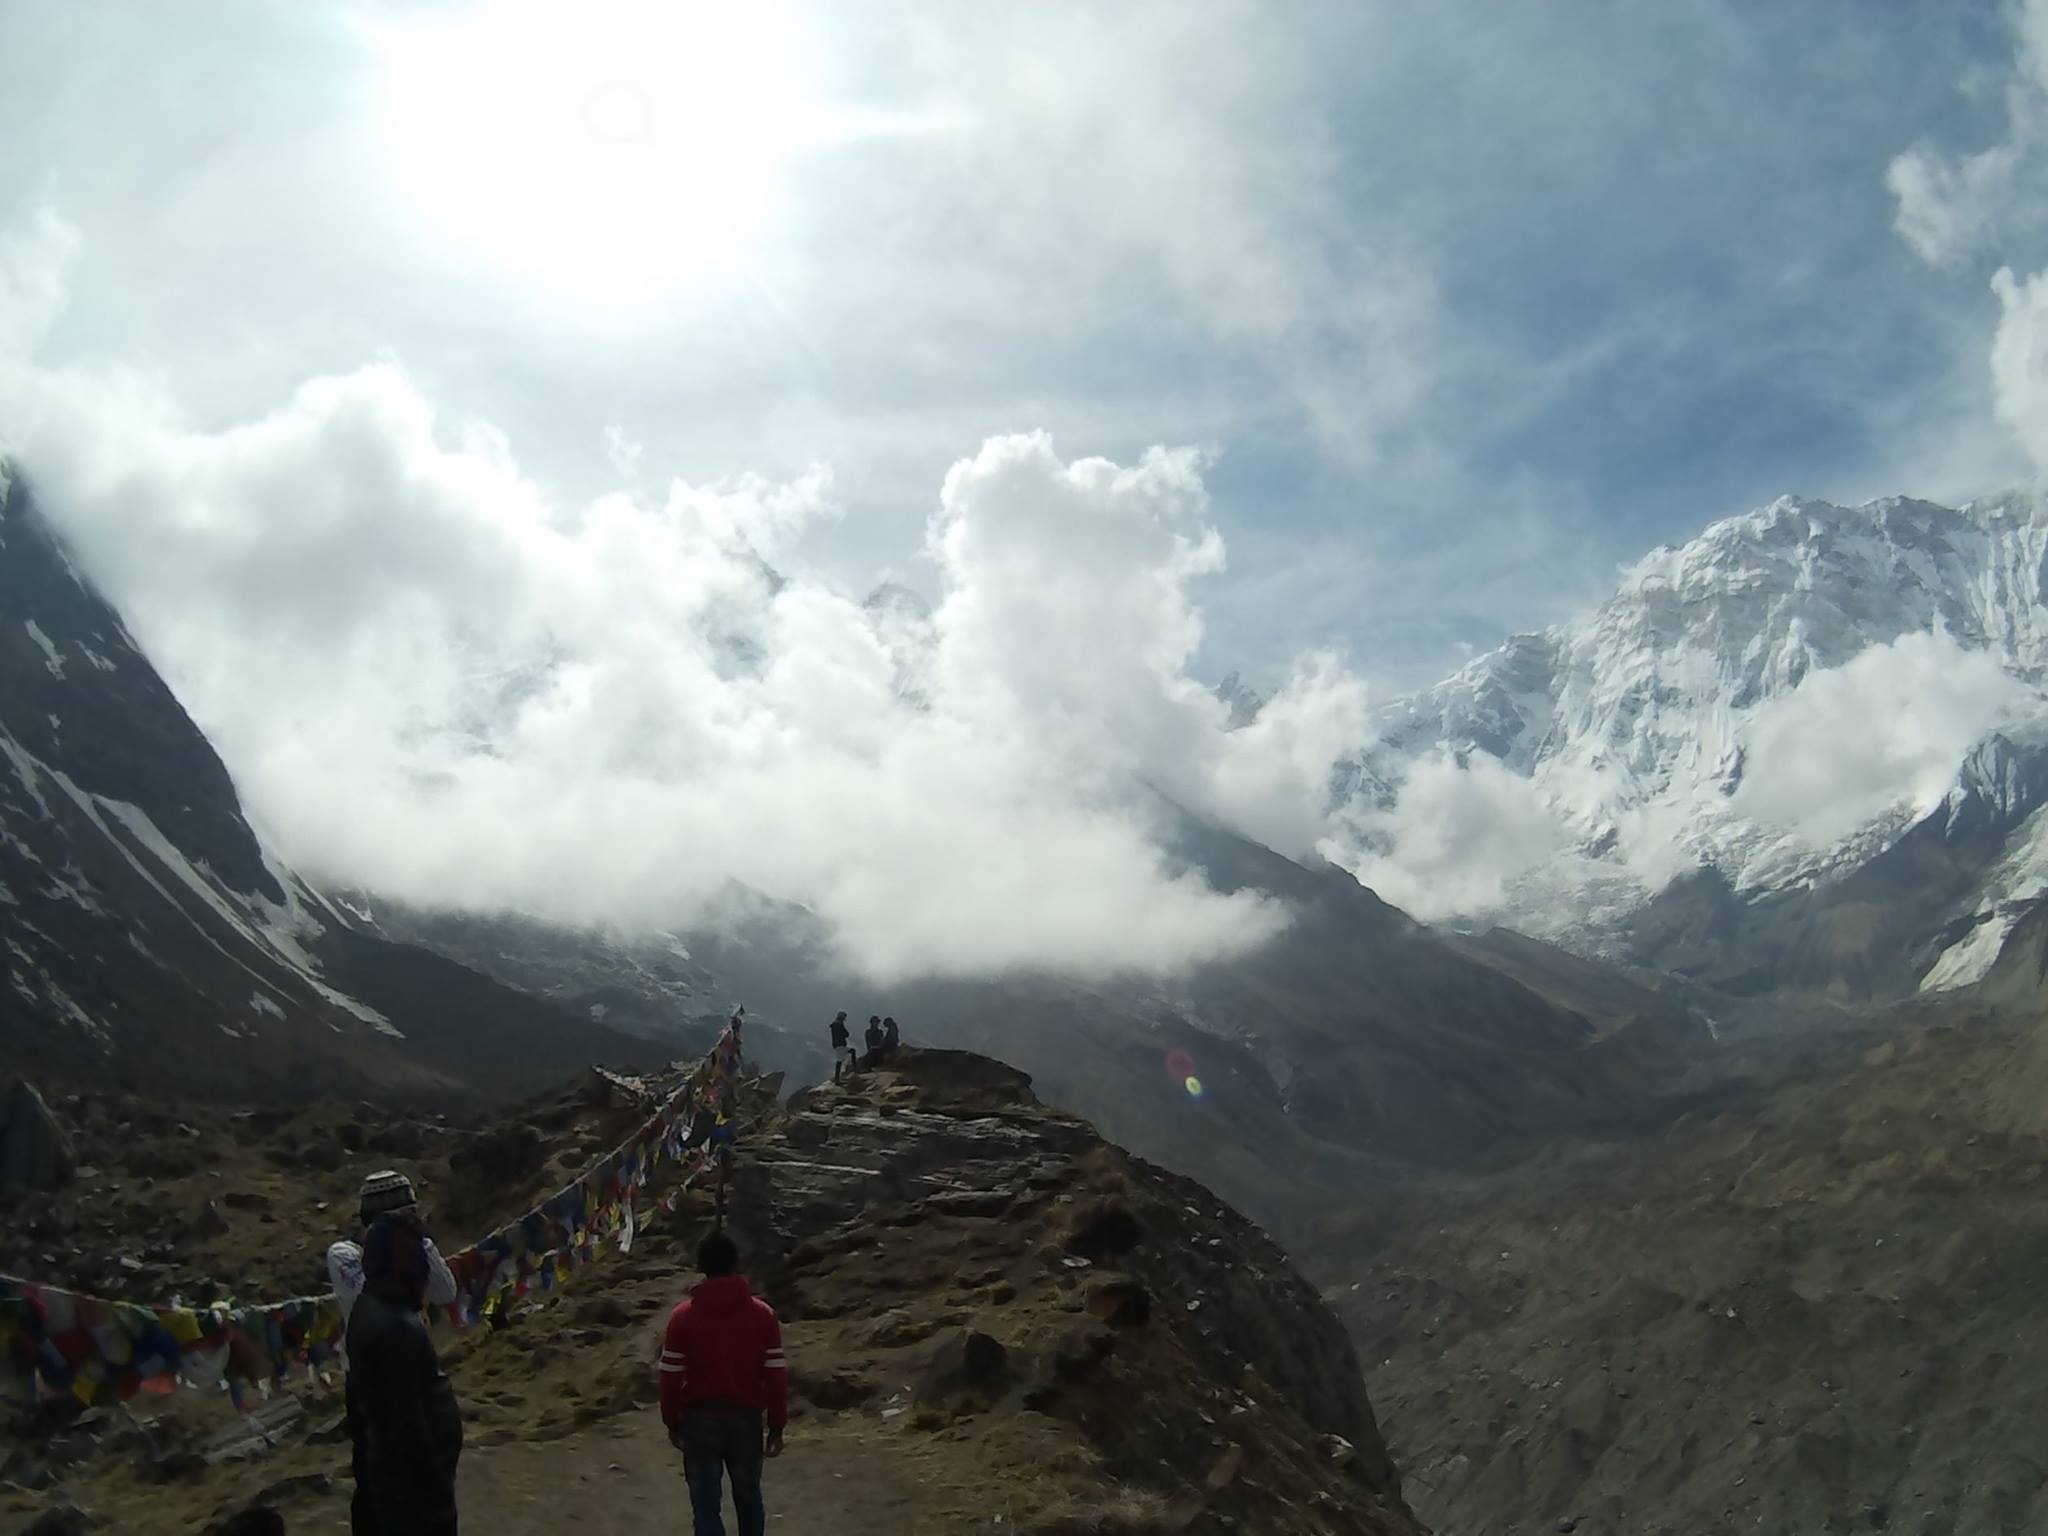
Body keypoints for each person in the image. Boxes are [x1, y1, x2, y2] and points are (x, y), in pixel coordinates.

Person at [660, 1232, 788, 1536]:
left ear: (701, 1266)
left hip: (699, 1422)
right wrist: (777, 1425)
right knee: (749, 1500)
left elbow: (669, 1376)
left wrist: (672, 1422)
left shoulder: (682, 1317)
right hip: (746, 1419)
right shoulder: (763, 1315)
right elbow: (775, 1375)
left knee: (705, 1507)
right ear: (736, 1263)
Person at [345, 1215, 464, 1536]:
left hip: (390, 1482)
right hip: (415, 1496)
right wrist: (438, 1498)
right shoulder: (397, 1328)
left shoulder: (366, 1309)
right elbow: (408, 1426)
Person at [328, 1170, 457, 1326]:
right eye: (406, 1215)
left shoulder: (418, 1246)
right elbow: (370, 1300)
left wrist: (422, 1246)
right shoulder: (343, 1254)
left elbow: (445, 1294)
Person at [828, 1011, 852, 1082]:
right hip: (840, 1044)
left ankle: (837, 1077)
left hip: (837, 1044)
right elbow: (846, 1034)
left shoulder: (835, 1024)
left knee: (840, 1060)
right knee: (840, 1060)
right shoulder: (838, 1024)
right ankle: (837, 1078)